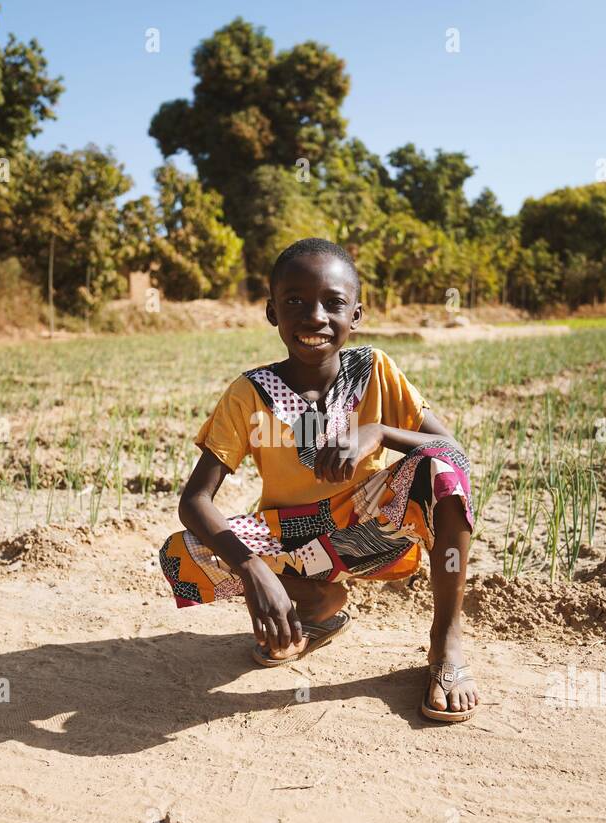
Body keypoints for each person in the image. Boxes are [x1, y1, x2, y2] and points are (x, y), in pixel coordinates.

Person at [158, 238, 479, 721]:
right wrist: (252, 571)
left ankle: (445, 642)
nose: (314, 317)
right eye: (294, 302)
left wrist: (377, 432)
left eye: (333, 303)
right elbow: (195, 500)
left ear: (357, 313)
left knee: (442, 470)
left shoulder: (374, 370)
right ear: (271, 312)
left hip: (373, 528)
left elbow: (452, 451)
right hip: (290, 538)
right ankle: (318, 604)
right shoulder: (249, 393)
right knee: (186, 550)